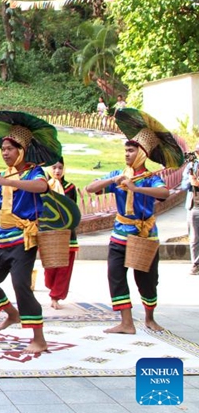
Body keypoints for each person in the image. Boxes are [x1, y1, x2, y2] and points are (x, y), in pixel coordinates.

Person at [0, 111, 62, 354]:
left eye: (10, 148)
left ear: (22, 150)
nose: (5, 152)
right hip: (1, 240)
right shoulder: (2, 177)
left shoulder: (33, 172)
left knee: (21, 284)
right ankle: (11, 313)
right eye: (3, 149)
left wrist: (9, 182)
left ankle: (39, 338)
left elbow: (41, 187)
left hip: (23, 240)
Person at [85, 108, 181, 334]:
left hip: (144, 235)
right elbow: (90, 188)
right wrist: (114, 179)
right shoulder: (119, 174)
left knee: (147, 280)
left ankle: (149, 318)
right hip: (120, 234)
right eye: (126, 150)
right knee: (115, 276)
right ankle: (126, 323)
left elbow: (164, 194)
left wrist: (136, 187)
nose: (127, 154)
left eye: (131, 151)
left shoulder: (152, 178)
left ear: (142, 154)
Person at [43, 159, 79, 309]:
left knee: (64, 267)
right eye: (54, 167)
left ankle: (56, 296)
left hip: (67, 234)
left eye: (60, 168)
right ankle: (51, 287)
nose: (57, 171)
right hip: (47, 232)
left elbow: (73, 210)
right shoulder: (43, 186)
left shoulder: (70, 188)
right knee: (50, 267)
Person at [181, 143, 199, 275]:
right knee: (194, 238)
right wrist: (190, 180)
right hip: (194, 206)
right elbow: (183, 186)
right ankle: (195, 264)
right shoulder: (191, 166)